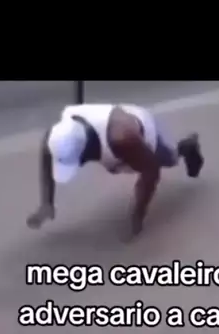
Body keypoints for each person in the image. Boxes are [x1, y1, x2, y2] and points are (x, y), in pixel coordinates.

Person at [26, 102, 204, 239]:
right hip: (110, 125)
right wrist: (46, 203)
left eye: (78, 162)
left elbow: (152, 171)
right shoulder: (56, 136)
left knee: (168, 160)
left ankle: (187, 146)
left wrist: (137, 217)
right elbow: (47, 158)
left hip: (138, 127)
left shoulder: (123, 138)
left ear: (87, 149)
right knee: (117, 162)